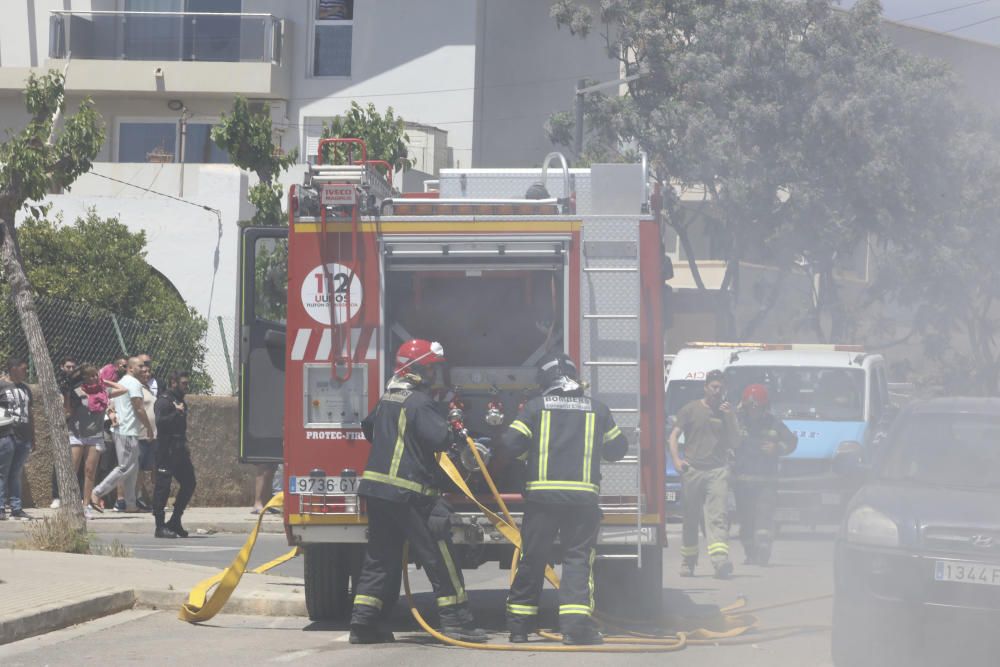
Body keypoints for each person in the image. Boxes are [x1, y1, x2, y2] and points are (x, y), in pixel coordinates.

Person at [349, 339, 487, 645]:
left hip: (377, 491)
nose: (434, 376)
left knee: (380, 558)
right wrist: (453, 426)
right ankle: (456, 621)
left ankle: (363, 624)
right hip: (410, 493)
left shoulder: (387, 398)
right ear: (419, 369)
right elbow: (439, 438)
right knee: (440, 555)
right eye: (432, 369)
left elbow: (369, 428)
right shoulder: (419, 403)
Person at [499, 353, 629, 646]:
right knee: (577, 560)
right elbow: (617, 449)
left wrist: (528, 454)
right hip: (582, 501)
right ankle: (575, 629)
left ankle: (519, 628)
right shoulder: (597, 409)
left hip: (541, 500)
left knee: (533, 558)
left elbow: (509, 443)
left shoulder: (535, 407)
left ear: (545, 380)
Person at [669, 369, 740, 579]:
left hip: (717, 471)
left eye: (721, 388)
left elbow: (736, 442)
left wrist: (731, 417)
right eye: (714, 387)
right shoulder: (690, 409)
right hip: (692, 470)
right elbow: (673, 436)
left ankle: (720, 562)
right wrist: (677, 460)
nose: (717, 391)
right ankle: (688, 562)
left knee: (718, 517)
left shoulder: (727, 412)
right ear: (706, 387)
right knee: (690, 518)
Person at [733, 384, 797, 566]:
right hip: (742, 482)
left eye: (757, 407)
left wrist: (777, 448)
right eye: (750, 407)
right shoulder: (737, 422)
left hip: (766, 482)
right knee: (746, 520)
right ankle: (750, 553)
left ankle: (763, 550)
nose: (753, 411)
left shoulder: (774, 423)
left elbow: (792, 441)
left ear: (764, 407)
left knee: (764, 517)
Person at [91, 357, 153, 512]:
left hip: (126, 431)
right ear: (131, 368)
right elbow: (139, 408)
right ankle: (97, 492)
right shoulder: (134, 383)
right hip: (127, 431)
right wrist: (149, 427)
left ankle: (131, 504)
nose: (143, 368)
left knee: (133, 468)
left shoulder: (123, 381)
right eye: (140, 366)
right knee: (125, 467)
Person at [67, 364, 126, 515]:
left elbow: (123, 389)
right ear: (84, 378)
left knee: (90, 471)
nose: (94, 378)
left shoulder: (104, 391)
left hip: (95, 436)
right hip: (77, 435)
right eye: (90, 376)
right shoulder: (78, 391)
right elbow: (68, 408)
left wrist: (105, 381)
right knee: (73, 470)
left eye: (95, 375)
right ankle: (70, 503)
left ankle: (86, 504)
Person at [152, 372, 197, 539]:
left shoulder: (180, 400)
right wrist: (175, 413)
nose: (186, 387)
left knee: (189, 482)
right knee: (163, 487)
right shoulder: (164, 401)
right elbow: (160, 422)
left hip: (179, 449)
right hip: (166, 449)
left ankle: (175, 520)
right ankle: (159, 526)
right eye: (183, 383)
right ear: (173, 383)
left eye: (187, 383)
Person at [0, 358, 34, 520]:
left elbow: (30, 413)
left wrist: (33, 437)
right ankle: (1, 508)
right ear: (13, 369)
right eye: (23, 369)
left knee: (16, 473)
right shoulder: (2, 386)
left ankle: (16, 508)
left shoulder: (26, 388)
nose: (26, 372)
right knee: (2, 472)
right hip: (6, 435)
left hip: (24, 437)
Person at [51, 356, 79, 509]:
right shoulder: (56, 383)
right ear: (62, 367)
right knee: (59, 461)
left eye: (73, 367)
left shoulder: (78, 384)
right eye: (68, 367)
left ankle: (76, 495)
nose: (71, 370)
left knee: (77, 462)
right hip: (62, 425)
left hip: (77, 427)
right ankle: (56, 496)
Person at [135, 362, 158, 511]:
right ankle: (137, 498)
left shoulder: (148, 389)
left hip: (153, 434)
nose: (147, 374)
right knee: (139, 468)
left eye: (148, 371)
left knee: (153, 467)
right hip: (141, 434)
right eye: (143, 372)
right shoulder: (136, 389)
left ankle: (156, 498)